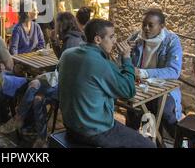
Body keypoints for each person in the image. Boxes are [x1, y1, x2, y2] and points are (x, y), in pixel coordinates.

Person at [58, 19, 155, 148]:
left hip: (71, 125)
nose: (114, 40)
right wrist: (126, 58)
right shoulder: (100, 63)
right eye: (111, 36)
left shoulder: (66, 54)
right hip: (93, 130)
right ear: (98, 39)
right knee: (149, 146)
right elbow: (128, 91)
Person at [0, 10, 90, 147]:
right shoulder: (73, 38)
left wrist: (46, 77)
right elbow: (63, 59)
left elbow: (66, 71)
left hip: (70, 88)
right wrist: (54, 41)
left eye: (57, 24)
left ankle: (19, 118)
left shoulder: (72, 42)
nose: (55, 27)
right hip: (67, 82)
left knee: (35, 83)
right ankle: (41, 137)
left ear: (62, 25)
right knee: (37, 98)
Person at [126, 8, 183, 138]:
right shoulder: (136, 38)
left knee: (165, 113)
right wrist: (125, 53)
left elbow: (173, 71)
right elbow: (123, 64)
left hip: (163, 88)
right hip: (140, 86)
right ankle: (137, 140)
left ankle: (180, 142)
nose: (146, 28)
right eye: (143, 24)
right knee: (133, 111)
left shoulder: (172, 41)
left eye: (150, 25)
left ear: (161, 26)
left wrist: (143, 72)